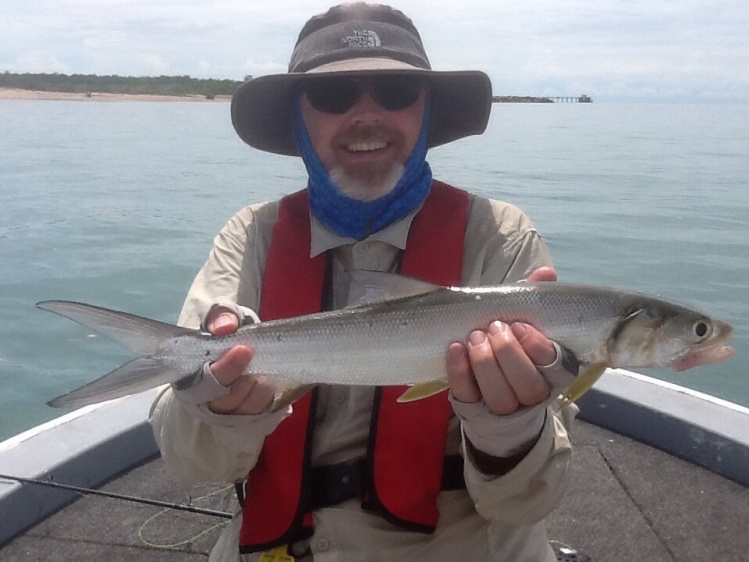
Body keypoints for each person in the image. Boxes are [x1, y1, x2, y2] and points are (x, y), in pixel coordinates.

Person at [150, 3, 584, 561]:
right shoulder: (250, 236)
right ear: (297, 118)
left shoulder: (502, 237)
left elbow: (525, 502)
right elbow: (192, 465)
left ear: (427, 110)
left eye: (396, 91)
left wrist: (511, 426)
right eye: (334, 96)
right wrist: (219, 405)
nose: (367, 115)